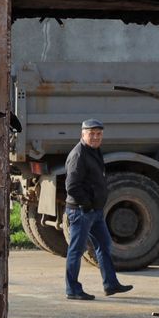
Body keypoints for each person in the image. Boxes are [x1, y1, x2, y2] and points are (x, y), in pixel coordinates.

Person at [63, 119, 134, 301]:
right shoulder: (79, 154)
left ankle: (110, 284)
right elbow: (72, 186)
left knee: (104, 245)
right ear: (83, 134)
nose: (95, 137)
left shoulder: (93, 151)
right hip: (81, 211)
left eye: (98, 134)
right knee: (76, 250)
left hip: (95, 211)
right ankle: (72, 289)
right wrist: (86, 204)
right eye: (91, 133)